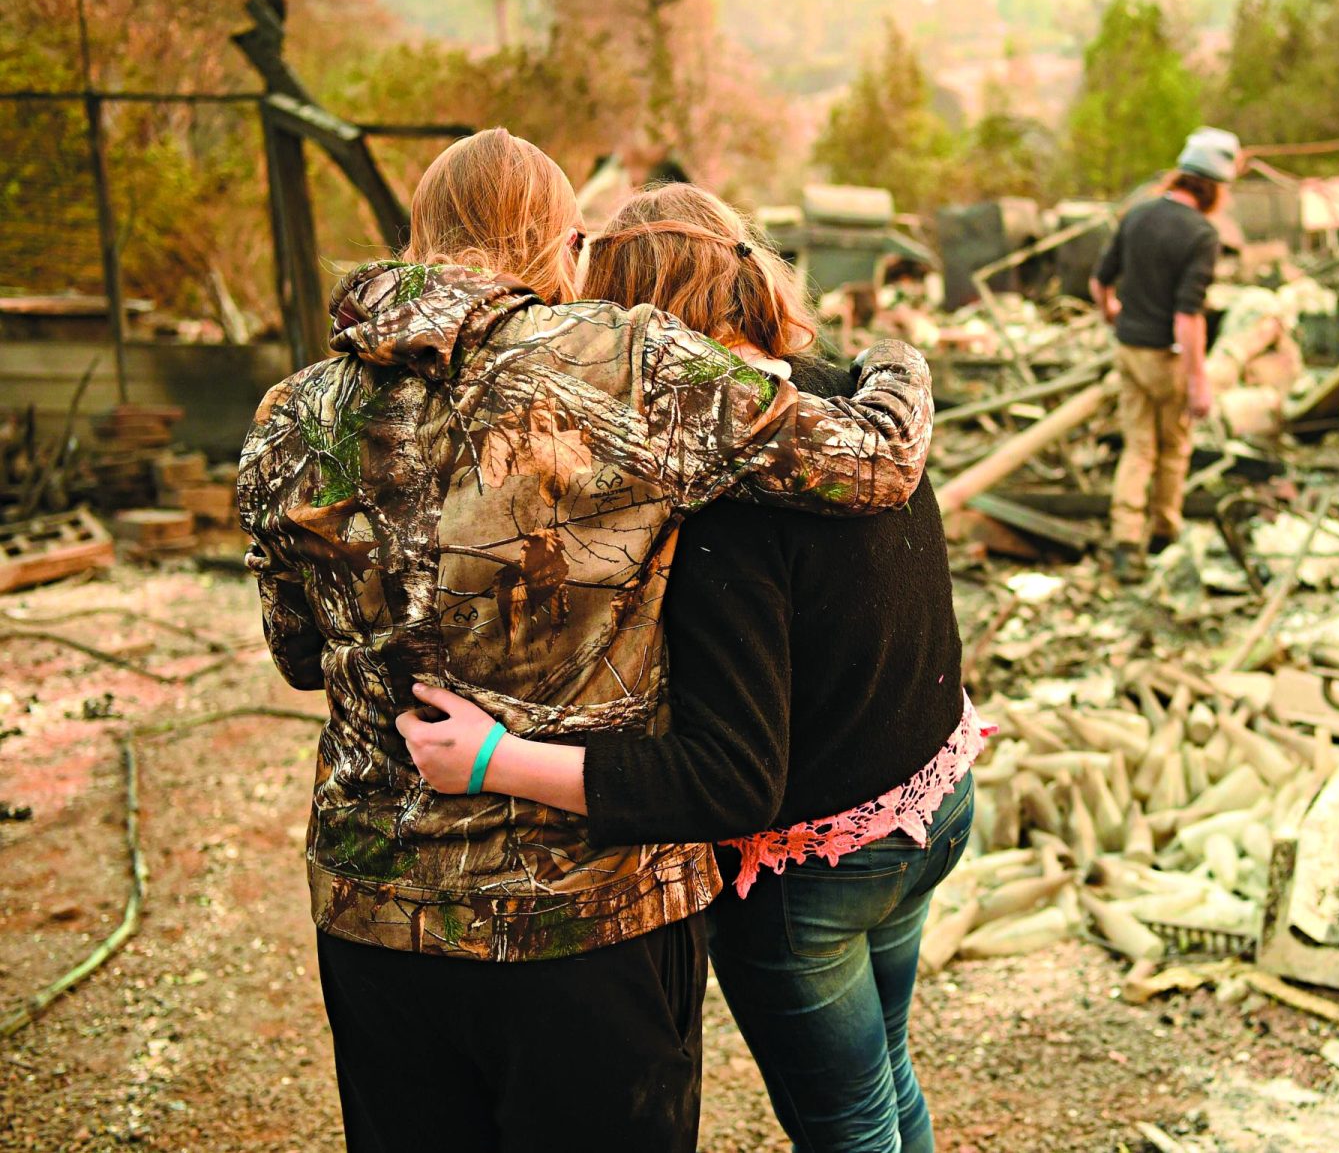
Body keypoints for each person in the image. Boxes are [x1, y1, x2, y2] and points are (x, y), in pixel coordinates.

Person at [235, 129, 936, 1153]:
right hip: (593, 916)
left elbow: (298, 652)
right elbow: (875, 461)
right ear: (562, 248)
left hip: (375, 910)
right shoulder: (627, 366)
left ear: (417, 238)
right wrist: (899, 359)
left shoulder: (289, 414)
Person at [397, 181, 983, 1153]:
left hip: (817, 867)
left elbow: (728, 778)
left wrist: (496, 756)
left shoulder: (718, 504)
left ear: (624, 323)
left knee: (849, 1124)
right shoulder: (850, 405)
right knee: (888, 1075)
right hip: (938, 797)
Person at [1090, 125, 1239, 584]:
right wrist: (1199, 382)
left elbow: (1100, 282)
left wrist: (1113, 315)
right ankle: (1163, 531)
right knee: (1173, 447)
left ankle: (1126, 545)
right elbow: (1187, 319)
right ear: (1213, 187)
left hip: (1129, 349)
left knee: (1138, 448)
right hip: (1166, 358)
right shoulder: (1201, 235)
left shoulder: (1137, 216)